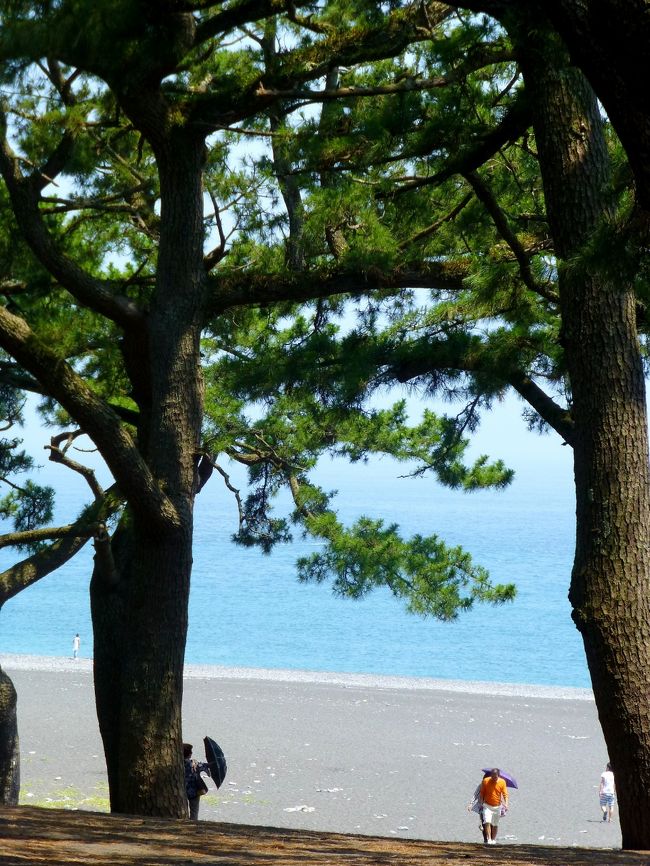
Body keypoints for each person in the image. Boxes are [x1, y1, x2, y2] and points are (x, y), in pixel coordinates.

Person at [478, 767, 508, 845]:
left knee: (495, 824)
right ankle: (488, 839)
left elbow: (505, 794)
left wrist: (506, 804)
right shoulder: (486, 781)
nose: (494, 778)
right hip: (487, 805)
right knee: (487, 822)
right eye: (492, 776)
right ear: (491, 775)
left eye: (496, 776)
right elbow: (482, 793)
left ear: (498, 775)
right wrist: (481, 803)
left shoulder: (502, 782)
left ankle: (493, 839)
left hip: (497, 806)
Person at [183, 742, 211, 820]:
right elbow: (205, 766)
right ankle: (193, 824)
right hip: (194, 792)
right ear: (189, 754)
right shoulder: (194, 763)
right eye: (190, 751)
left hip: (181, 791)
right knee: (194, 811)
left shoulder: (177, 764)